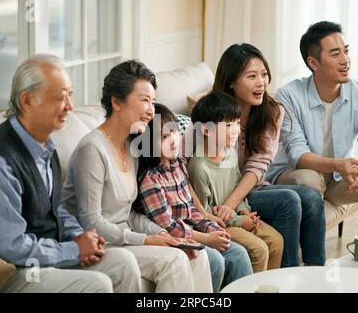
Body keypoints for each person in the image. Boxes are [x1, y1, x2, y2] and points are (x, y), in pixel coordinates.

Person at [0, 54, 141, 293]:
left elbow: (56, 210)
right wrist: (74, 250)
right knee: (98, 284)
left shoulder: (45, 146)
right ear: (27, 101)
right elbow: (11, 246)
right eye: (60, 97)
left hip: (48, 253)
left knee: (124, 263)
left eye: (70, 94)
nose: (70, 106)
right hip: (14, 270)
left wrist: (81, 237)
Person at [62, 60, 213, 293]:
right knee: (175, 260)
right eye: (144, 100)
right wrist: (147, 240)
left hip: (125, 237)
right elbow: (91, 222)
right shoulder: (92, 150)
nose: (151, 110)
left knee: (195, 255)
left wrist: (160, 233)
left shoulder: (132, 146)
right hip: (101, 243)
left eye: (153, 101)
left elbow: (128, 213)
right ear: (116, 102)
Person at [266, 21, 358, 246]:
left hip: (337, 179)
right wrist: (339, 165)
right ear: (313, 62)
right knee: (310, 177)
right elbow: (298, 154)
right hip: (294, 175)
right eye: (335, 53)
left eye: (346, 51)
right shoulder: (288, 95)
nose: (346, 60)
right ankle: (310, 253)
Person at [207, 43, 326, 267]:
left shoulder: (272, 111)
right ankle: (287, 276)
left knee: (311, 198)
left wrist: (232, 204)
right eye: (251, 76)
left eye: (263, 74)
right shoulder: (214, 115)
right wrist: (230, 206)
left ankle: (315, 274)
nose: (261, 82)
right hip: (222, 194)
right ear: (231, 81)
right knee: (288, 199)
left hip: (251, 189)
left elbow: (258, 165)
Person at [135, 103, 253, 292]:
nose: (173, 140)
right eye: (164, 137)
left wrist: (213, 228)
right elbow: (168, 226)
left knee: (238, 253)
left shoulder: (179, 163)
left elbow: (191, 210)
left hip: (192, 228)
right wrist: (207, 238)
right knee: (214, 261)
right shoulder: (151, 180)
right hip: (173, 236)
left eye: (173, 132)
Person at [187, 91, 283, 272]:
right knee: (259, 249)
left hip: (237, 216)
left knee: (276, 241)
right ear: (206, 130)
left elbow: (237, 186)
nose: (235, 130)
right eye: (228, 125)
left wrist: (244, 211)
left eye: (237, 124)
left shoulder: (229, 152)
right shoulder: (199, 167)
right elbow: (204, 215)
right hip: (220, 225)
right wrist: (240, 221)